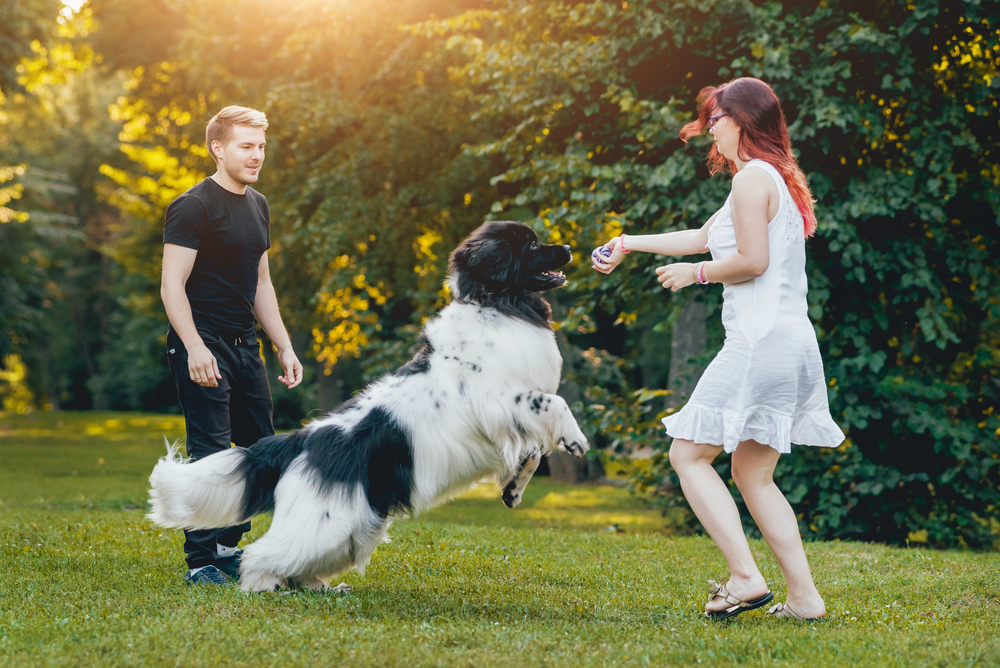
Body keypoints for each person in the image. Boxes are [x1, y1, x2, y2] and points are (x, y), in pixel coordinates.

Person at [591, 78, 844, 621]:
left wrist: (695, 276)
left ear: (743, 121)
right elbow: (701, 237)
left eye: (717, 118)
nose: (711, 127)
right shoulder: (765, 179)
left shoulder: (754, 179)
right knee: (753, 474)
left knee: (687, 454)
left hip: (760, 342)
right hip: (790, 342)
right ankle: (804, 600)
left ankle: (746, 579)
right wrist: (629, 242)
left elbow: (748, 261)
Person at [160, 105, 303, 586]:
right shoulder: (193, 206)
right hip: (203, 344)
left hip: (246, 347)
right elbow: (172, 286)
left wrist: (283, 345)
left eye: (261, 146)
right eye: (246, 145)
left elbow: (262, 283)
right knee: (211, 451)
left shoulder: (259, 205)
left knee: (259, 449)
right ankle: (200, 560)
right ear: (218, 147)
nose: (256, 155)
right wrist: (195, 347)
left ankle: (226, 547)